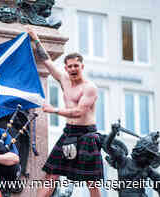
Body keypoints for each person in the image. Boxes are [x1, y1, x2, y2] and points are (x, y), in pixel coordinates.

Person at [26, 27, 103, 197]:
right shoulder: (64, 79)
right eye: (70, 66)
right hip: (69, 133)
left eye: (77, 65)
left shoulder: (90, 88)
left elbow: (78, 112)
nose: (73, 69)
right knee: (51, 174)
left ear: (82, 66)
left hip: (87, 135)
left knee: (92, 181)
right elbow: (46, 60)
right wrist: (35, 38)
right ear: (66, 68)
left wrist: (53, 110)